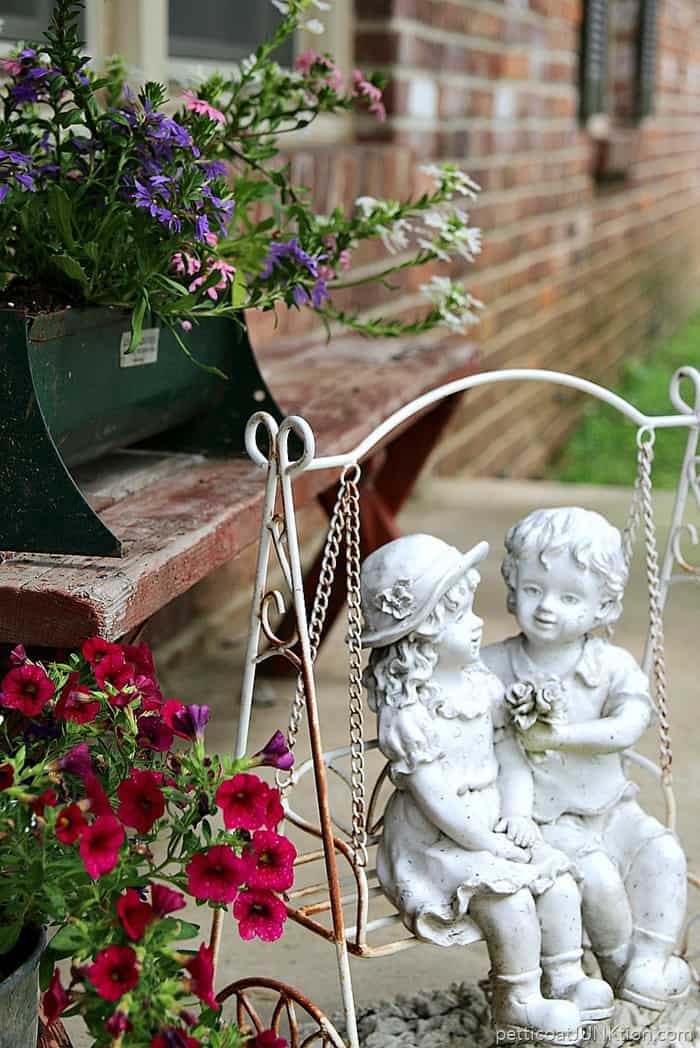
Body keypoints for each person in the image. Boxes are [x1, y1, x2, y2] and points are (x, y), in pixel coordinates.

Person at [361, 533, 613, 1043]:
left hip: (490, 827)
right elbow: (436, 801)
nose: (477, 624)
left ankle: (563, 977)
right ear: (422, 635)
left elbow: (511, 758)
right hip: (435, 846)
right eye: (460, 617)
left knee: (559, 883)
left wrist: (517, 815)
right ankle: (516, 999)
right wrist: (489, 841)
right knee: (512, 899)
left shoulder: (482, 686)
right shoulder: (410, 715)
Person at [482, 507, 689, 1012]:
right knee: (597, 879)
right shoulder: (492, 667)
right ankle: (617, 968)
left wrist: (562, 735)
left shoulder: (610, 665)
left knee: (663, 855)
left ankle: (649, 961)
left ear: (603, 607)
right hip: (544, 820)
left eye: (570, 597)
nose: (547, 607)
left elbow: (628, 726)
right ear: (512, 587)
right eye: (533, 589)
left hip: (611, 806)